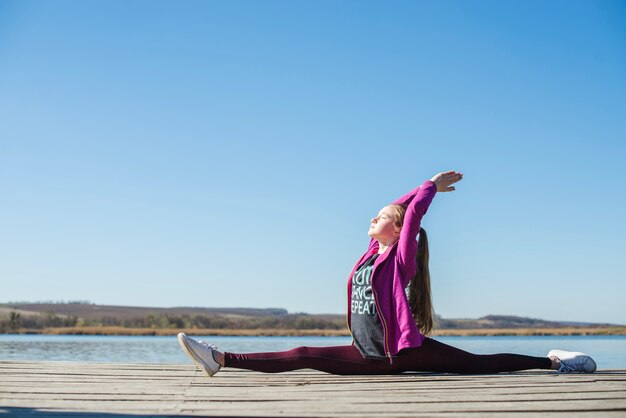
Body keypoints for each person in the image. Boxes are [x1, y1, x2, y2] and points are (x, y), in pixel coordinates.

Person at [178, 170, 597, 377]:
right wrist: (415, 189)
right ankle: (220, 359)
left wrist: (428, 187)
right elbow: (399, 207)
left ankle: (554, 361)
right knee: (304, 353)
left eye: (380, 216)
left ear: (397, 231)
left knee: (483, 365)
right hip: (367, 350)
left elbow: (410, 214)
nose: (372, 217)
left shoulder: (401, 260)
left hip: (399, 353)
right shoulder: (369, 256)